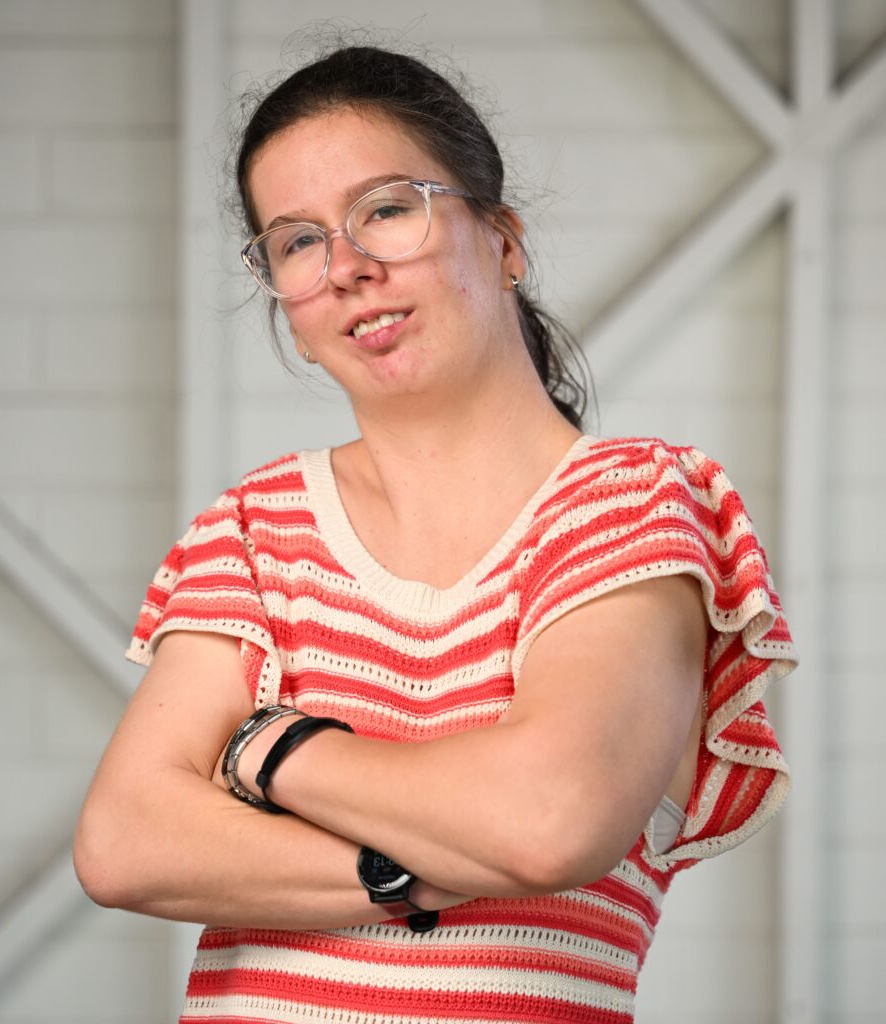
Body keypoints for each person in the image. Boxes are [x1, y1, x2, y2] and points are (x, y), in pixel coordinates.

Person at [74, 42, 798, 1024]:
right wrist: (405, 866)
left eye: (385, 208)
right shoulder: (252, 529)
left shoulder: (631, 503)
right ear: (288, 309)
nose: (347, 269)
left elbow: (548, 821)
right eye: (296, 242)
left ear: (503, 241)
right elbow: (125, 841)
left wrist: (272, 750)